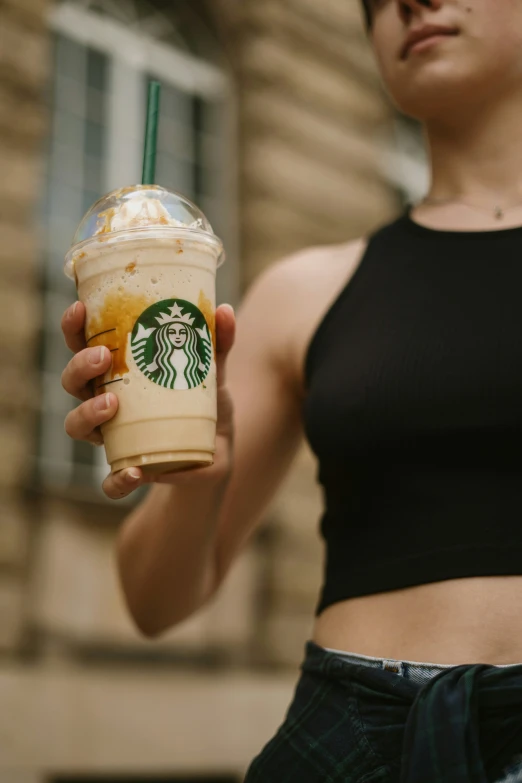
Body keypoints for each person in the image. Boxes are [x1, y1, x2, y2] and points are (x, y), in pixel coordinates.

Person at [60, 0, 522, 779]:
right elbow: (155, 602)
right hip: (358, 731)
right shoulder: (304, 291)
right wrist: (196, 475)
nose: (408, 2)